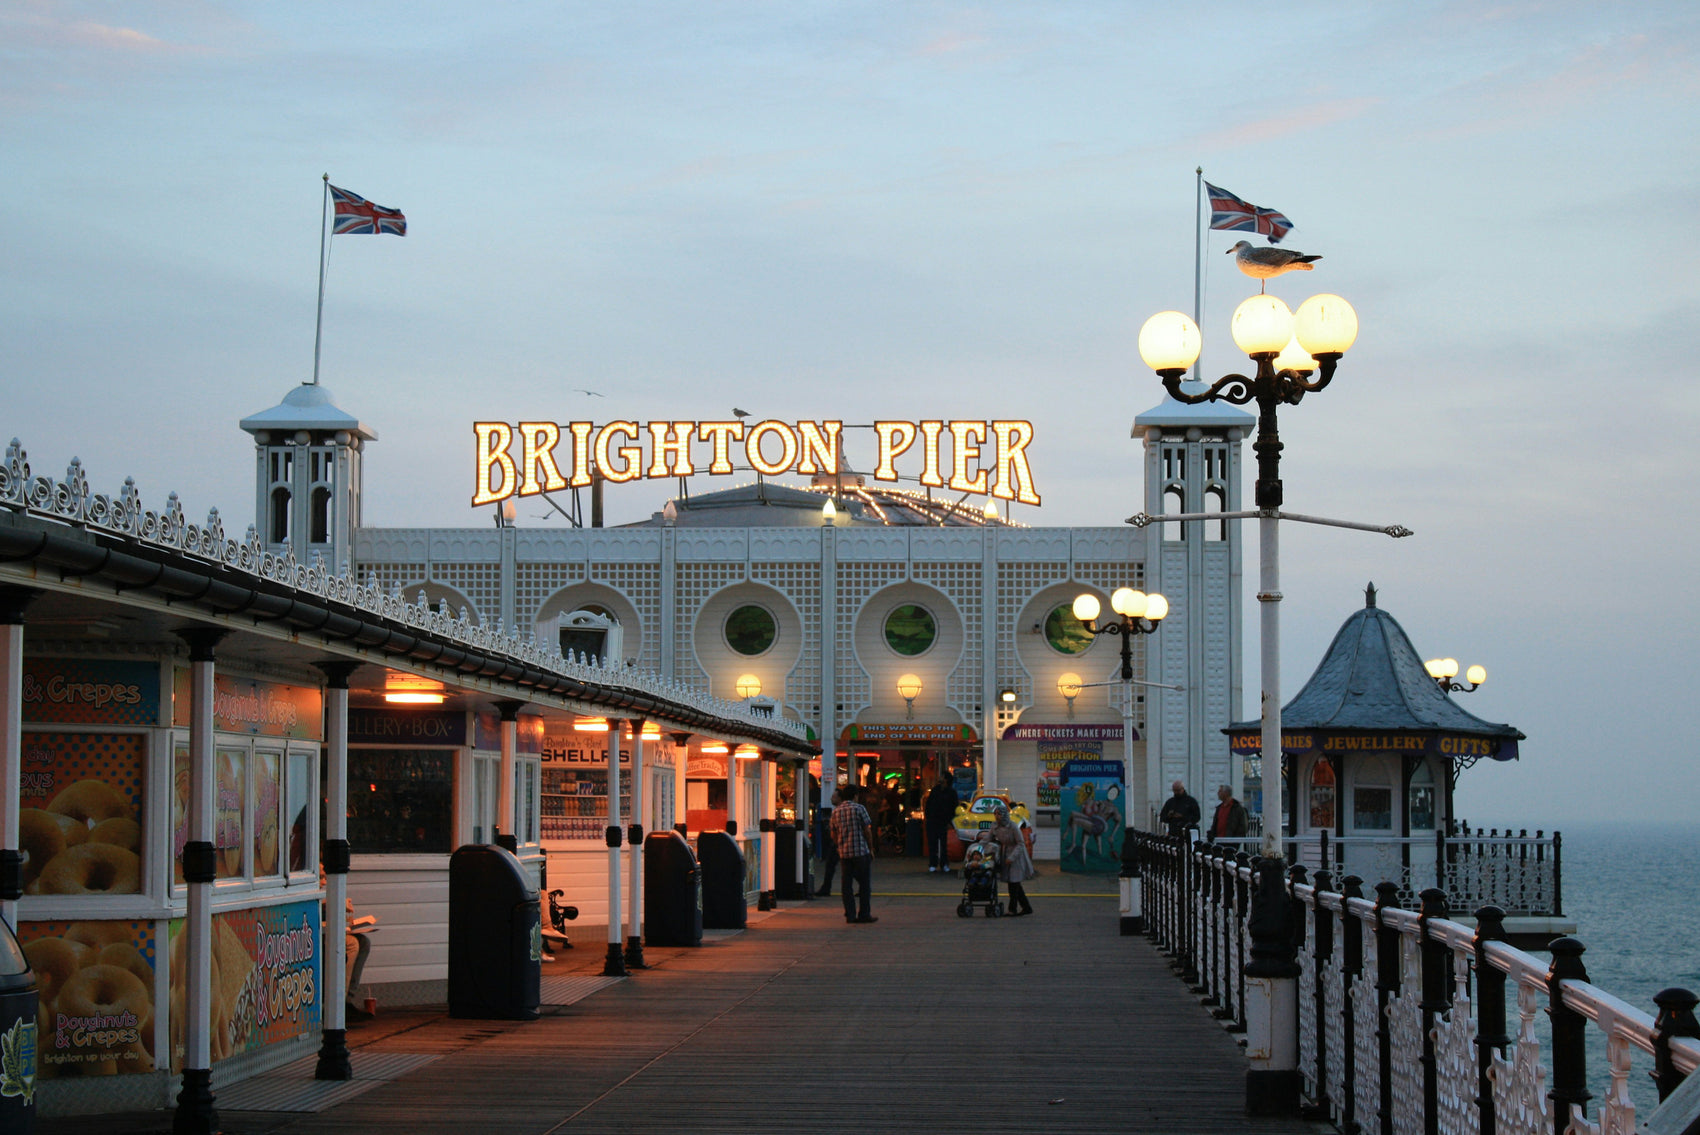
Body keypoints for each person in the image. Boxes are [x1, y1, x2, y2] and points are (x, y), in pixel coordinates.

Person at [831, 786, 877, 924]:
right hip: (860, 851)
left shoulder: (836, 812)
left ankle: (850, 915)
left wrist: (839, 846)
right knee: (864, 884)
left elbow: (833, 833)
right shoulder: (859, 808)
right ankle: (864, 914)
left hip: (844, 853)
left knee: (846, 885)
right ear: (855, 796)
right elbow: (867, 830)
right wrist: (871, 848)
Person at [989, 805, 1035, 916]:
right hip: (1006, 853)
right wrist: (979, 847)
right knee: (1013, 883)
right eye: (995, 814)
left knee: (1014, 882)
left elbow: (1020, 843)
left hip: (1016, 856)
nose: (996, 816)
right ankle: (1026, 907)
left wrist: (1012, 857)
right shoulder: (995, 827)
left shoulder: (1013, 827)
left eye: (999, 814)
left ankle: (1012, 909)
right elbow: (988, 837)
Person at [923, 772, 959, 873]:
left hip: (944, 821)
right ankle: (933, 863)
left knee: (945, 844)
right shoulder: (935, 790)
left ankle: (944, 863)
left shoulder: (951, 792)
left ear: (946, 779)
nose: (940, 778)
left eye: (942, 777)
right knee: (932, 843)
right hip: (933, 820)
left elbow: (954, 807)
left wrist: (950, 821)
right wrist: (928, 816)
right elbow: (929, 804)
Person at [814, 790, 842, 896]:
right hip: (842, 842)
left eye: (834, 797)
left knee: (831, 865)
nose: (831, 799)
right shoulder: (838, 811)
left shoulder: (837, 812)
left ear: (840, 798)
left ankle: (826, 887)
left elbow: (833, 830)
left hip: (838, 842)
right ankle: (826, 887)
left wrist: (834, 841)